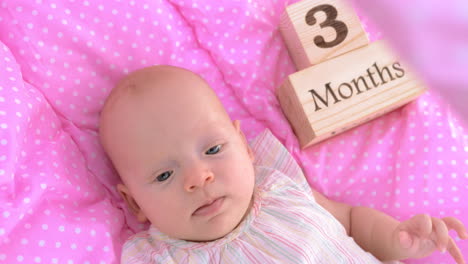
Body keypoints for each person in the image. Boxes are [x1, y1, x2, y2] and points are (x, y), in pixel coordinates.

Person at [98, 65, 467, 263]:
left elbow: (351, 222)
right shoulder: (160, 259)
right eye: (164, 174)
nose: (199, 177)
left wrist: (397, 239)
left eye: (212, 150)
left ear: (243, 146)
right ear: (134, 204)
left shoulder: (276, 185)